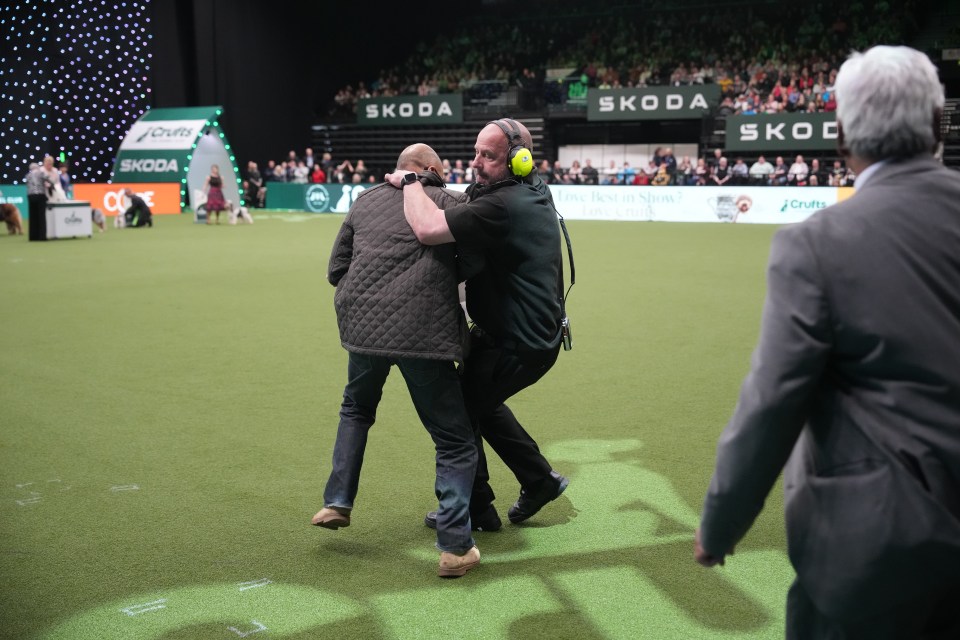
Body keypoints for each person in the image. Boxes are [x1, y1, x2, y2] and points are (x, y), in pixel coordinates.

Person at [695, 45, 960, 639]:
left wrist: (722, 523)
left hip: (879, 552)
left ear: (841, 136)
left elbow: (773, 399)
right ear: (938, 125)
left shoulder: (817, 244)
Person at [385, 117, 569, 530]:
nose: (476, 163)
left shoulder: (501, 205)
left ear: (518, 161)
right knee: (478, 405)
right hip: (521, 335)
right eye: (475, 152)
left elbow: (429, 228)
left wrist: (413, 182)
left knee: (458, 409)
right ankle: (538, 481)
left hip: (519, 343)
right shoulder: (529, 189)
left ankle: (475, 505)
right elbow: (468, 204)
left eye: (488, 156)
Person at [312, 143, 481, 579]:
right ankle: (454, 547)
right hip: (423, 331)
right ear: (427, 170)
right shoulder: (449, 201)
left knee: (356, 409)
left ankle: (336, 502)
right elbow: (476, 261)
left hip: (362, 329)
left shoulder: (365, 200)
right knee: (454, 439)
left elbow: (336, 268)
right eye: (441, 172)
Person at [26, 159, 56, 241]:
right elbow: (50, 180)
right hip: (40, 195)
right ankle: (42, 236)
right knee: (41, 217)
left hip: (30, 196)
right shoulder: (41, 173)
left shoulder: (28, 175)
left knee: (33, 217)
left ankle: (32, 237)